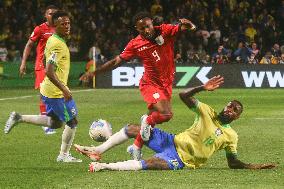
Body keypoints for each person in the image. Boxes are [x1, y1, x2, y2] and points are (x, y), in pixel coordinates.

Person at [74, 75, 276, 172]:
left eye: (234, 110)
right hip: (171, 140)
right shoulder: (207, 111)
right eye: (229, 106)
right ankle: (97, 150)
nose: (229, 110)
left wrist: (253, 166)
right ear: (225, 106)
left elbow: (232, 162)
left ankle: (104, 166)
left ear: (237, 117)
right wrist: (202, 88)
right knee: (132, 128)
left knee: (150, 164)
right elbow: (184, 95)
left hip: (182, 159)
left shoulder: (232, 136)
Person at [85, 12, 196, 160]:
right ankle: (145, 121)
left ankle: (135, 147)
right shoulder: (135, 44)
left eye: (148, 26)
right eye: (142, 28)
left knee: (149, 126)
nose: (146, 30)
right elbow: (116, 62)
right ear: (137, 29)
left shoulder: (164, 30)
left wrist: (190, 25)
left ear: (152, 24)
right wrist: (95, 73)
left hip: (166, 84)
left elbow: (184, 28)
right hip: (150, 84)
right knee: (165, 114)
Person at [4, 10, 82, 163]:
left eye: (68, 23)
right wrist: (64, 89)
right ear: (55, 26)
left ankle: (19, 118)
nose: (67, 26)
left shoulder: (57, 39)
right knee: (72, 122)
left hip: (50, 90)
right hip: (56, 93)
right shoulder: (56, 44)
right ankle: (63, 155)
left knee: (55, 122)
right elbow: (49, 71)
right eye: (63, 24)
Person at [19, 5, 58, 135]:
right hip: (41, 66)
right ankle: (45, 121)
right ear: (45, 15)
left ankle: (50, 118)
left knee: (53, 93)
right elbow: (29, 44)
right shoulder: (40, 29)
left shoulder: (60, 28)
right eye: (50, 13)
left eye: (54, 13)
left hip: (54, 66)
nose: (52, 15)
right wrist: (23, 62)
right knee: (44, 92)